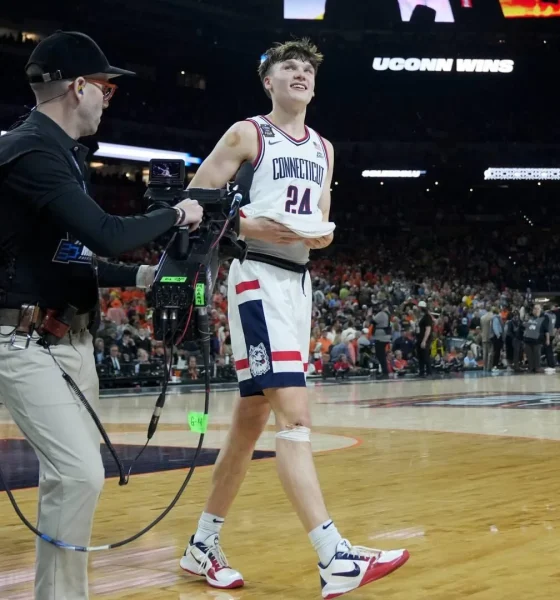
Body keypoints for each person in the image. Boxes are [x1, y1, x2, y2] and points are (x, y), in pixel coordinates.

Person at [178, 38, 409, 599]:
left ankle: (202, 544)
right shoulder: (247, 133)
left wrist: (322, 235)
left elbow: (321, 218)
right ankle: (334, 556)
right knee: (296, 417)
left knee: (249, 424)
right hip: (256, 278)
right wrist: (247, 226)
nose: (301, 73)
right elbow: (191, 204)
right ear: (269, 81)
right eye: (289, 66)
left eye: (308, 68)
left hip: (297, 283)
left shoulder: (325, 148)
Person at [0, 31, 202, 600]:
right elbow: (107, 233)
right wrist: (177, 213)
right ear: (78, 87)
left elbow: (74, 254)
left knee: (67, 481)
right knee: (79, 474)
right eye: (106, 89)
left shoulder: (62, 153)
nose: (109, 99)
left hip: (67, 337)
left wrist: (142, 278)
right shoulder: (32, 150)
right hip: (22, 338)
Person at [416, 300, 433, 377]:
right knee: (420, 356)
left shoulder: (427, 317)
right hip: (419, 338)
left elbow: (428, 329)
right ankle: (421, 372)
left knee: (425, 356)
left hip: (424, 339)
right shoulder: (421, 316)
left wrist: (424, 341)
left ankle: (429, 372)